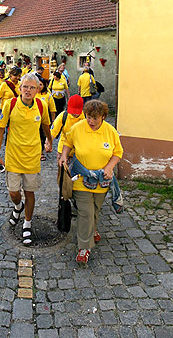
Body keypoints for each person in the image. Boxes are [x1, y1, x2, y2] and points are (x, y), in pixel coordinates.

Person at [59, 100, 123, 264]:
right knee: (85, 211)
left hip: (102, 180)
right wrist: (64, 155)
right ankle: (84, 248)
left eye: (95, 118)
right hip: (81, 177)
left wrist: (110, 167)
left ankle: (92, 229)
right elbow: (68, 142)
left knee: (95, 209)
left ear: (103, 116)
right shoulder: (78, 128)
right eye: (88, 117)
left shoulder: (110, 131)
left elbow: (117, 152)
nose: (91, 121)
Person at [0, 73, 52, 245]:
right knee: (14, 192)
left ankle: (27, 223)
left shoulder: (41, 105)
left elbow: (45, 125)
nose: (28, 90)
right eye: (25, 87)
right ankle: (17, 207)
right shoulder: (9, 105)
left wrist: (49, 140)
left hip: (33, 157)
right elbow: (0, 130)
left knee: (30, 192)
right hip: (13, 156)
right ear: (20, 88)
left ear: (37, 90)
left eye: (32, 87)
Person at [46, 94, 84, 162]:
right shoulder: (63, 116)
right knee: (63, 171)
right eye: (72, 111)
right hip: (63, 149)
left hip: (80, 151)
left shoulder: (86, 118)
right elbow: (53, 132)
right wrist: (48, 143)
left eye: (76, 111)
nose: (74, 114)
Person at [35, 76, 56, 161]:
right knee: (35, 136)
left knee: (43, 136)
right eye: (37, 84)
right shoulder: (33, 94)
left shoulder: (48, 95)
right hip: (33, 119)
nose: (39, 86)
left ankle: (41, 151)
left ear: (44, 85)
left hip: (44, 120)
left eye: (41, 85)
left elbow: (52, 109)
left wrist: (53, 120)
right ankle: (37, 152)